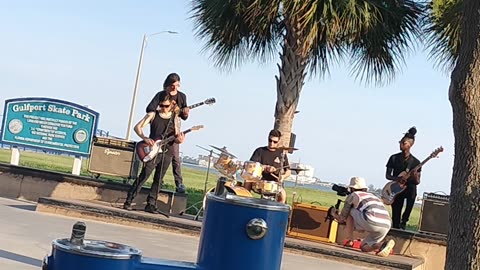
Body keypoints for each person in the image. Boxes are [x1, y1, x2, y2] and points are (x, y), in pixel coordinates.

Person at [124, 92, 185, 213]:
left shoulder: (175, 118)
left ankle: (151, 203)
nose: (163, 108)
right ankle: (129, 200)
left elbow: (177, 136)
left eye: (166, 106)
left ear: (171, 105)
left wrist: (180, 140)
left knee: (159, 179)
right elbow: (137, 127)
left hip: (167, 151)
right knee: (144, 176)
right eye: (161, 106)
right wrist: (145, 138)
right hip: (152, 150)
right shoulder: (153, 115)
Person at [329, 177, 395, 257]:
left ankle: (350, 240)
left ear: (352, 188)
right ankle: (382, 245)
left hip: (371, 220)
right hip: (387, 224)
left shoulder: (354, 195)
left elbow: (342, 218)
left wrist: (333, 213)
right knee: (364, 247)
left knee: (350, 211)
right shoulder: (373, 196)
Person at [145, 73, 189, 193]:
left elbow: (184, 116)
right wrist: (163, 109)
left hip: (173, 131)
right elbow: (150, 109)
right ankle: (146, 180)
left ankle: (179, 183)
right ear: (168, 85)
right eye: (172, 85)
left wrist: (185, 112)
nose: (175, 88)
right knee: (152, 158)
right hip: (158, 131)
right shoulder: (161, 95)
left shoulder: (182, 97)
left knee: (175, 157)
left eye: (177, 85)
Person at [385, 127, 421, 230]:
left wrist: (415, 176)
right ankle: (396, 226)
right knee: (396, 213)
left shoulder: (416, 162)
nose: (400, 145)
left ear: (409, 145)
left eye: (403, 143)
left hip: (409, 188)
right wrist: (397, 179)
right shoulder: (393, 158)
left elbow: (417, 182)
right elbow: (388, 176)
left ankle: (404, 222)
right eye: (400, 142)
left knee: (412, 197)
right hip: (397, 188)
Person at [247, 129, 291, 203]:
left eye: (275, 142)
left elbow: (288, 170)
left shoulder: (281, 154)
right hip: (259, 181)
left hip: (274, 183)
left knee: (283, 195)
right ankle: (245, 203)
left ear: (278, 141)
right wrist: (265, 167)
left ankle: (278, 211)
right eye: (270, 140)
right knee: (247, 180)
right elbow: (252, 166)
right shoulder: (260, 151)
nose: (271, 143)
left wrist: (283, 176)